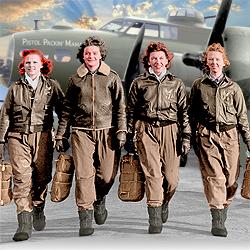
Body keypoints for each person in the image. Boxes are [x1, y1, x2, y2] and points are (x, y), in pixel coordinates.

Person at [55, 36, 127, 236]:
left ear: (101, 55)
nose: (91, 56)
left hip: (107, 130)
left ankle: (99, 199)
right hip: (81, 132)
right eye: (87, 53)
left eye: (94, 53)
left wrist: (122, 131)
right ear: (83, 56)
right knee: (84, 175)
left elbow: (121, 108)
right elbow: (67, 110)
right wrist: (61, 134)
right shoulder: (75, 80)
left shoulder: (112, 77)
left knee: (106, 175)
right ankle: (85, 217)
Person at [125, 41, 191, 234]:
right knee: (153, 174)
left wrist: (186, 137)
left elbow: (184, 113)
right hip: (146, 130)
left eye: (161, 58)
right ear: (148, 61)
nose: (157, 61)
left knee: (171, 179)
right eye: (153, 58)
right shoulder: (139, 83)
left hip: (170, 130)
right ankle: (154, 218)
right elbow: (131, 112)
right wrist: (130, 135)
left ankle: (163, 203)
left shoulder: (176, 83)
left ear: (167, 60)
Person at [0, 49, 65, 241]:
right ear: (23, 66)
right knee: (21, 178)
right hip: (17, 136)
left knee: (42, 177)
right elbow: (5, 116)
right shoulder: (15, 88)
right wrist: (1, 140)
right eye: (27, 63)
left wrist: (62, 134)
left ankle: (38, 206)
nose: (31, 66)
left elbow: (63, 112)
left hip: (43, 136)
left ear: (43, 65)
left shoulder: (52, 86)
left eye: (35, 63)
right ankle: (24, 224)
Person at [189, 43, 250, 237]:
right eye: (210, 59)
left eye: (217, 59)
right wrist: (191, 139)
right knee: (215, 177)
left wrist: (249, 142)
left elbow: (242, 118)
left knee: (231, 180)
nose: (214, 62)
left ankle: (223, 207)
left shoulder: (234, 88)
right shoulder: (199, 86)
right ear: (206, 62)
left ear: (224, 62)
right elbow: (192, 115)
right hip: (207, 136)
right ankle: (217, 219)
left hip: (230, 136)